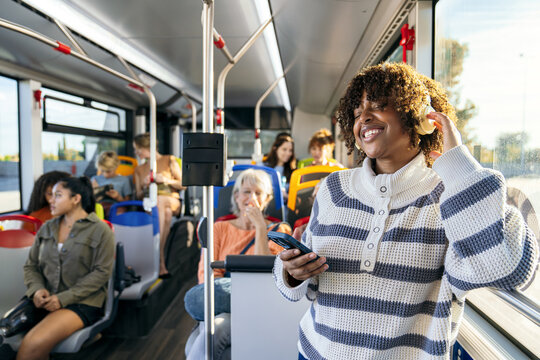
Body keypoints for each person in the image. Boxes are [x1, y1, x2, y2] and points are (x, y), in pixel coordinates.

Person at [273, 63, 538, 359]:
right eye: (358, 112)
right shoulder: (333, 189)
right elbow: (302, 279)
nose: (364, 118)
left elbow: (508, 269)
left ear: (421, 116)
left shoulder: (450, 194)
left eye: (379, 106)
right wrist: (292, 273)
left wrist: (459, 167)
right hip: (315, 353)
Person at [185, 169, 291, 360]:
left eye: (258, 193)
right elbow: (207, 277)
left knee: (212, 332)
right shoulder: (219, 228)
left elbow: (267, 276)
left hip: (261, 305)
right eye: (246, 192)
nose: (251, 198)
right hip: (223, 303)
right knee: (197, 342)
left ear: (267, 199)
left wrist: (260, 227)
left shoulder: (280, 231)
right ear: (236, 196)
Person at [18, 176, 114, 360]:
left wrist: (62, 299)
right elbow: (31, 266)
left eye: (58, 195)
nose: (51, 200)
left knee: (32, 345)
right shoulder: (46, 228)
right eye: (51, 195)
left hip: (81, 303)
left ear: (76, 199)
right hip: (44, 300)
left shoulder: (101, 231)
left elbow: (101, 273)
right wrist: (37, 290)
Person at [133, 133, 185, 278]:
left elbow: (183, 185)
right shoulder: (139, 170)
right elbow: (138, 195)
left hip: (171, 200)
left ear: (146, 147)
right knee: (165, 214)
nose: (136, 153)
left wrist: (166, 180)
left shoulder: (169, 160)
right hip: (152, 204)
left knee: (161, 201)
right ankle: (161, 263)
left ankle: (158, 257)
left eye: (138, 149)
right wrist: (144, 186)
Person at [91, 151, 132, 216]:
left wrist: (118, 197)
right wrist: (93, 191)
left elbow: (128, 204)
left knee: (119, 212)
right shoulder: (95, 179)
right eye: (102, 171)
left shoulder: (124, 180)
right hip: (99, 207)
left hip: (116, 206)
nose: (105, 174)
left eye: (108, 171)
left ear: (116, 167)